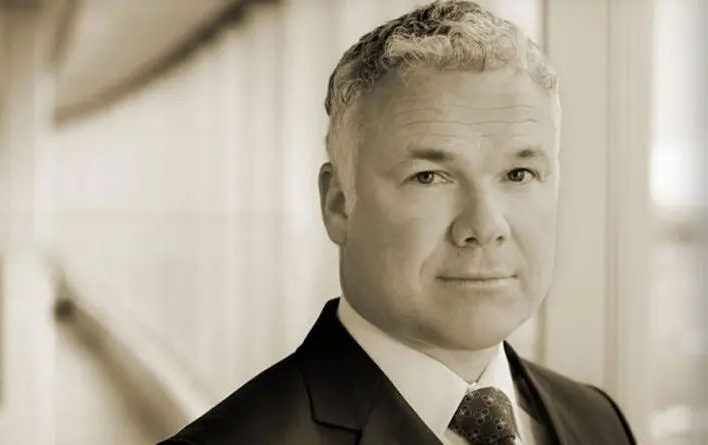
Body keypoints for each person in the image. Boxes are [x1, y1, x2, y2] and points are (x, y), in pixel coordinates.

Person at [159, 1, 636, 444]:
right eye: (429, 177)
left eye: (519, 174)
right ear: (338, 204)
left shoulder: (597, 421)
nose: (484, 225)